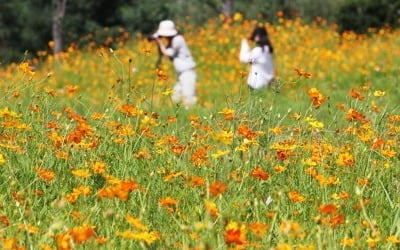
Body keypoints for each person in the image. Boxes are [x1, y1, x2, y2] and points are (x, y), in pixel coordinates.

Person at [152, 20, 197, 108]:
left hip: (187, 71)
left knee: (188, 95)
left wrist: (159, 41)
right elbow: (165, 54)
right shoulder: (172, 41)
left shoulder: (177, 39)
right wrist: (158, 44)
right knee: (175, 96)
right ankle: (179, 112)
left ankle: (190, 114)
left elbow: (168, 54)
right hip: (181, 73)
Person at [239, 25, 274, 90]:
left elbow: (245, 59)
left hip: (257, 85)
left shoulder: (258, 51)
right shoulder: (268, 50)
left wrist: (244, 43)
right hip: (268, 84)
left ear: (257, 37)